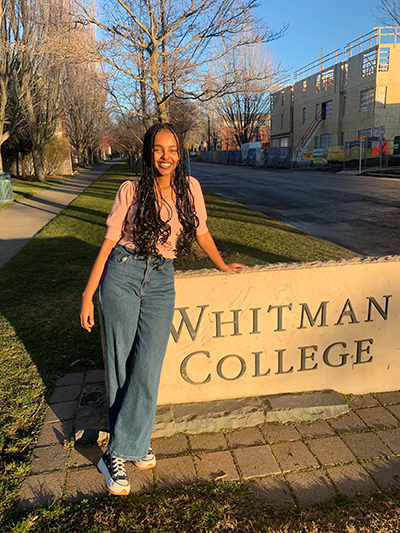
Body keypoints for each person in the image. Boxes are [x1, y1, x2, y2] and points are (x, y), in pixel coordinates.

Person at [80, 122, 247, 496]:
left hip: (161, 280)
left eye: (172, 149)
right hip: (122, 274)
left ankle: (129, 442)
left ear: (180, 153)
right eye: (158, 149)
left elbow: (201, 231)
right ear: (147, 153)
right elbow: (108, 243)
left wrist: (221, 264)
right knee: (120, 363)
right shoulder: (131, 190)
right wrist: (88, 295)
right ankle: (117, 455)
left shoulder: (190, 190)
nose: (166, 156)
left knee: (148, 366)